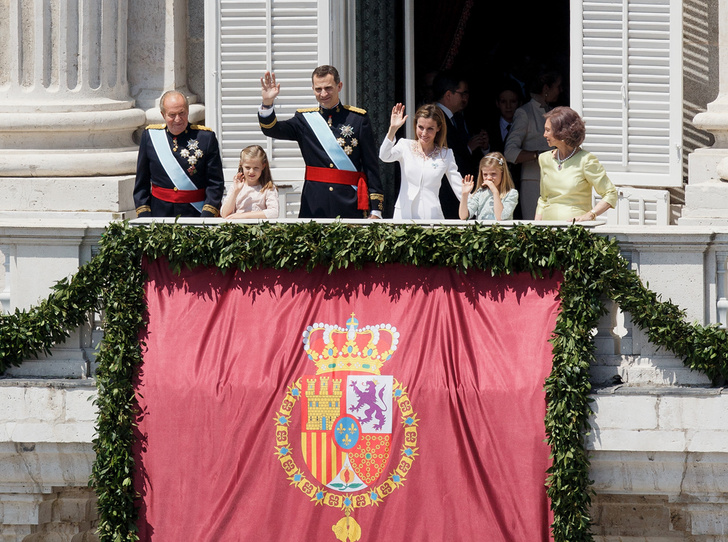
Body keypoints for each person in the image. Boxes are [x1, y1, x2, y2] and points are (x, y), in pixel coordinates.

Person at [258, 66, 383, 219]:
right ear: (313, 89)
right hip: (315, 203)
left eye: (328, 88)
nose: (323, 94)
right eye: (318, 89)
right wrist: (267, 102)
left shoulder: (358, 119)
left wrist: (376, 210)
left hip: (349, 202)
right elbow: (272, 130)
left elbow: (371, 165)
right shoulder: (304, 120)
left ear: (339, 86)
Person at [134, 90, 224, 217]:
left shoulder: (205, 138)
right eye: (172, 115)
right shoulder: (150, 137)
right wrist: (145, 216)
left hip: (195, 214)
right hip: (160, 214)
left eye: (182, 113)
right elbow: (141, 182)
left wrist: (206, 217)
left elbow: (215, 183)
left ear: (187, 111)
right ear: (163, 114)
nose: (178, 119)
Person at [379, 103, 465, 219]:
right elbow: (384, 156)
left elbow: (460, 188)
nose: (424, 133)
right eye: (421, 127)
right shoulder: (405, 146)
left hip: (432, 218)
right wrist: (393, 129)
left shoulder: (446, 154)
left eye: (430, 129)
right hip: (404, 216)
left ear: (438, 128)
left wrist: (477, 206)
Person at [536, 106, 617, 221]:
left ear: (562, 132)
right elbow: (543, 199)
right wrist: (535, 228)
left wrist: (590, 215)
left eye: (548, 130)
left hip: (576, 231)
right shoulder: (544, 159)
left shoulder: (586, 160)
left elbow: (611, 193)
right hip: (548, 232)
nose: (544, 135)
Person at [503, 69, 563, 220]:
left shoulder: (551, 111)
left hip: (555, 179)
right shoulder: (525, 112)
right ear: (546, 89)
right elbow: (509, 152)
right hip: (533, 180)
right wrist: (539, 155)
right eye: (558, 86)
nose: (561, 90)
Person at [432, 71, 488, 218]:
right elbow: (443, 151)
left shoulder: (457, 117)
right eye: (462, 93)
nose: (464, 98)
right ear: (449, 95)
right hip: (446, 190)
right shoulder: (436, 117)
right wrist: (468, 148)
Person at [220, 145, 279, 219]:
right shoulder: (235, 187)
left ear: (263, 166)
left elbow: (273, 213)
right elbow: (224, 214)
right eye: (247, 167)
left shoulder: (268, 188)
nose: (251, 172)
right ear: (241, 164)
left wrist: (243, 216)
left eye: (256, 168)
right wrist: (236, 191)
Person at [459, 152, 519, 221]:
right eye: (485, 174)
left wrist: (495, 192)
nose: (489, 178)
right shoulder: (480, 193)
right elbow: (463, 216)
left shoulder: (511, 194)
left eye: (493, 174)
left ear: (502, 173)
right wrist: (464, 195)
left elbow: (500, 217)